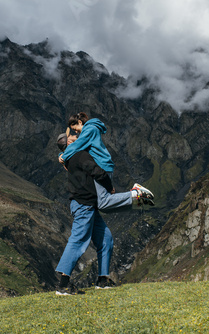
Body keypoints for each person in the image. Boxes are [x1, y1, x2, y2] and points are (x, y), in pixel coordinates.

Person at [55, 133, 154, 295]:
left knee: (106, 238)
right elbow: (98, 172)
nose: (78, 139)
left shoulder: (69, 157)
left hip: (87, 205)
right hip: (84, 206)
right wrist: (109, 188)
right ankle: (63, 285)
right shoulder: (80, 155)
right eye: (73, 139)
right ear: (70, 144)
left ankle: (102, 280)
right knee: (77, 241)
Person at [59, 112, 154, 211]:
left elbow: (77, 145)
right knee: (103, 206)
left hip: (102, 166)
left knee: (103, 202)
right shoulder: (89, 131)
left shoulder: (90, 130)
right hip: (103, 165)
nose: (77, 133)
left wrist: (64, 157)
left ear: (79, 122)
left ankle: (136, 194)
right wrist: (61, 155)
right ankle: (137, 200)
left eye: (75, 129)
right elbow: (74, 146)